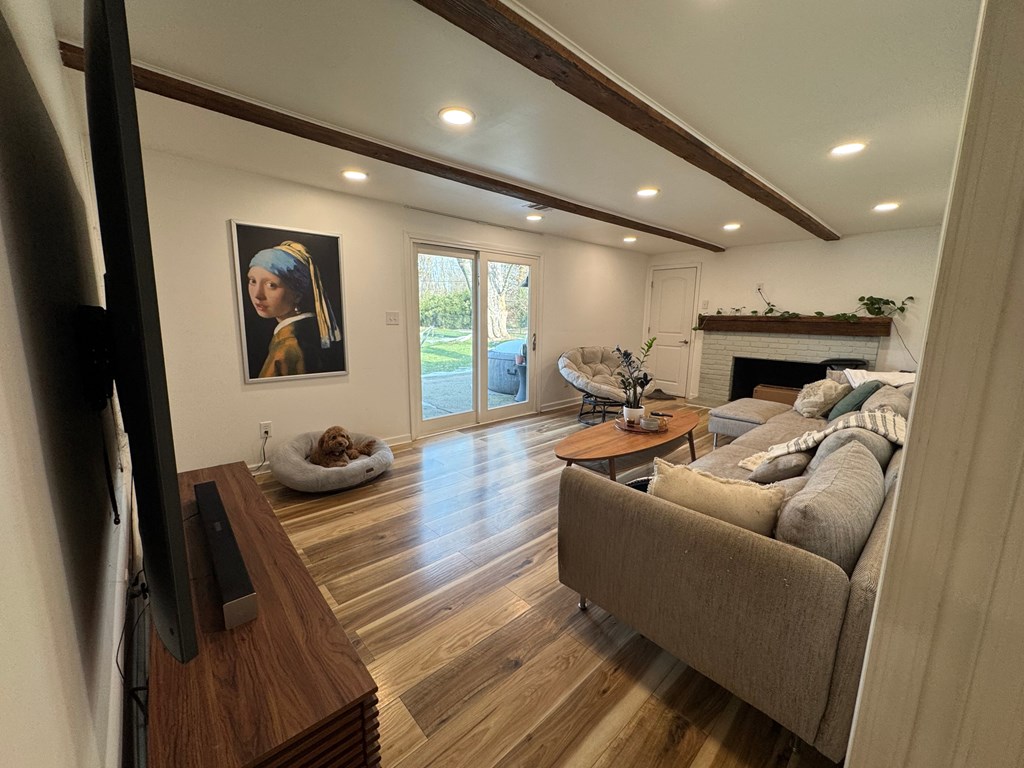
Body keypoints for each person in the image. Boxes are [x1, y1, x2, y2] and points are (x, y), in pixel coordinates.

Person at [246, 240, 343, 377]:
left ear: (297, 294)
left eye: (271, 285)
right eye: (252, 281)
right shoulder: (309, 329)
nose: (257, 294)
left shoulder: (289, 345)